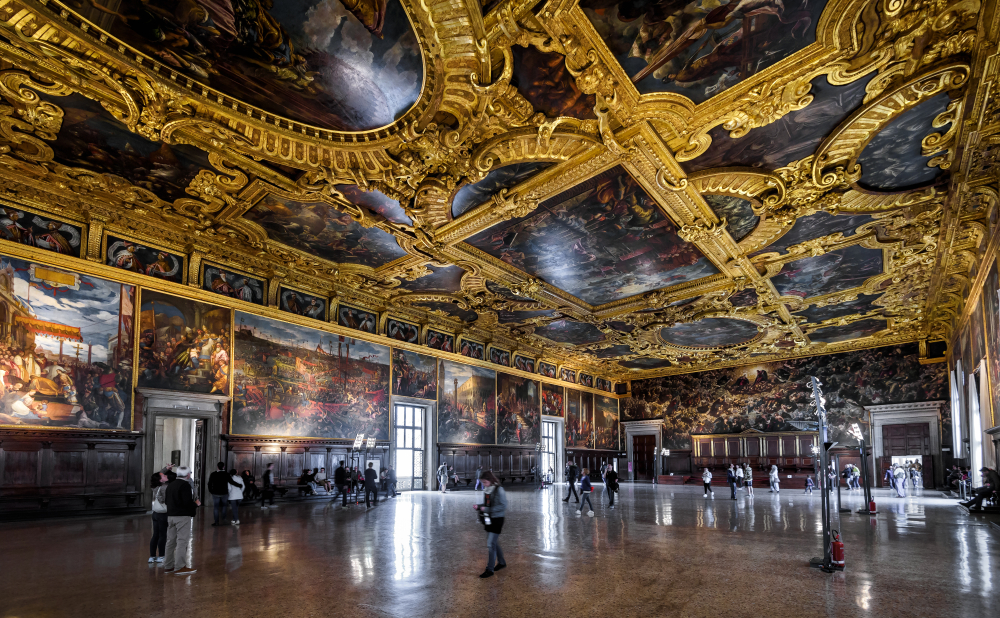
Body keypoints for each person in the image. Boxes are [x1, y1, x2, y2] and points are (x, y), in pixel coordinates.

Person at [164, 466, 200, 575]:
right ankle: (180, 567)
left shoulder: (171, 484)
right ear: (188, 475)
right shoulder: (185, 485)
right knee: (182, 541)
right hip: (182, 516)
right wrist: (196, 504)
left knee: (170, 541)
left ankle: (168, 566)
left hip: (171, 516)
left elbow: (166, 501)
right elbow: (186, 503)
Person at [472, 471, 507, 578]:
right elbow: (487, 504)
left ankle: (490, 569)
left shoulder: (499, 490)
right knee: (494, 543)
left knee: (490, 544)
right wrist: (479, 506)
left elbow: (503, 506)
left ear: (490, 480)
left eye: (485, 482)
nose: (484, 484)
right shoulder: (487, 490)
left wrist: (486, 509)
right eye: (482, 482)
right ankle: (502, 562)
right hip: (488, 519)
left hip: (497, 519)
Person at [208, 462, 240, 526]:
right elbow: (232, 482)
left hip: (215, 493)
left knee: (216, 508)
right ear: (224, 467)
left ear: (217, 467)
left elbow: (209, 483)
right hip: (224, 493)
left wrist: (211, 491)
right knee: (224, 506)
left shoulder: (213, 474)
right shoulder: (226, 474)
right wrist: (239, 485)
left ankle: (216, 522)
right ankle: (224, 519)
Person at [149, 471, 170, 564]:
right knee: (162, 535)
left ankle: (152, 556)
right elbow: (166, 500)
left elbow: (156, 475)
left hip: (155, 513)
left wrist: (166, 468)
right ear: (160, 480)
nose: (166, 475)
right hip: (163, 514)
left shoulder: (155, 486)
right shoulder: (165, 487)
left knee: (155, 535)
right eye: (164, 475)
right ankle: (161, 556)